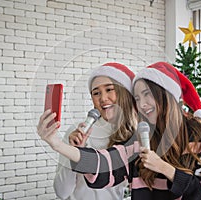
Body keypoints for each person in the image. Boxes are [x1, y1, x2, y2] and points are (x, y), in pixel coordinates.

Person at [38, 62, 201, 200]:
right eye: (137, 98)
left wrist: (164, 168)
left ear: (166, 94)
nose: (142, 104)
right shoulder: (139, 140)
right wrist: (57, 144)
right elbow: (102, 163)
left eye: (147, 94)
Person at [45, 62, 138, 200]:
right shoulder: (78, 132)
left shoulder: (134, 137)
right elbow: (62, 192)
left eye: (109, 89)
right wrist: (73, 151)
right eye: (96, 93)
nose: (103, 98)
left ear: (124, 93)